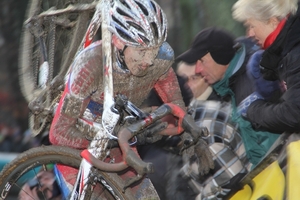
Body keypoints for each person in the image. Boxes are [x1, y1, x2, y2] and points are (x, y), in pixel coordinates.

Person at [21, 0, 213, 199]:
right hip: (78, 144)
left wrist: (190, 135)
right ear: (119, 42)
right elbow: (59, 133)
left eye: (154, 51)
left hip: (117, 143)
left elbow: (176, 107)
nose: (148, 60)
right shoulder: (90, 66)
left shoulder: (161, 60)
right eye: (141, 51)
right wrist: (115, 139)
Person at [175, 26, 282, 199]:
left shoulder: (249, 85)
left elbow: (270, 149)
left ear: (221, 56)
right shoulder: (233, 86)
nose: (198, 69)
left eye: (202, 61)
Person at [232, 0, 300, 133]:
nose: (249, 34)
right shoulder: (286, 50)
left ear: (273, 21)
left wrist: (254, 110)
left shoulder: (294, 53)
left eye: (252, 26)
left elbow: (295, 114)